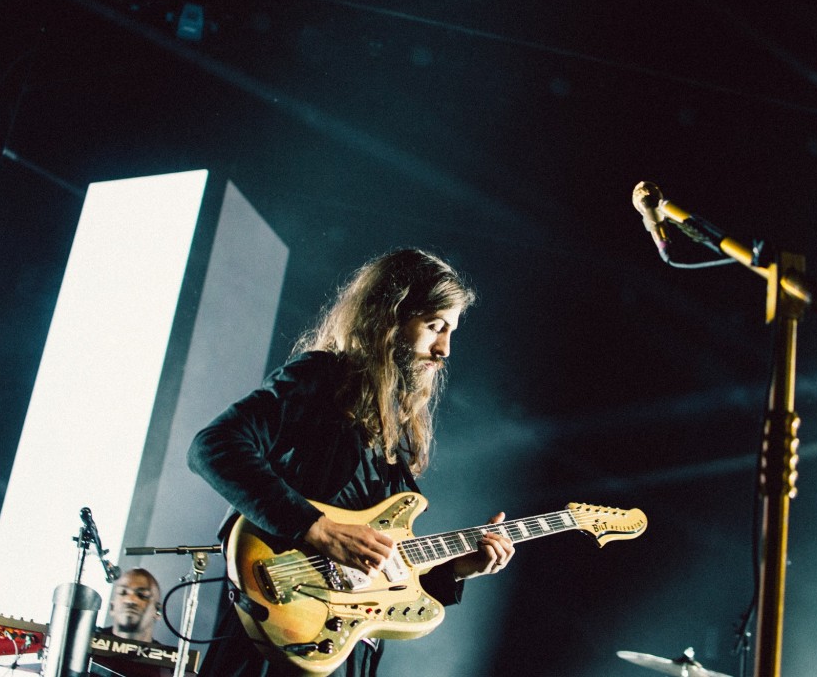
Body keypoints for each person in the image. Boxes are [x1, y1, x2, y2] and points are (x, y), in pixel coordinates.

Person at [187, 248, 515, 676]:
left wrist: (457, 568)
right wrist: (317, 528)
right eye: (434, 326)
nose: (445, 348)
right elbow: (213, 445)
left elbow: (381, 580)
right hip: (279, 632)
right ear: (390, 316)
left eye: (450, 331)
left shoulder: (392, 429)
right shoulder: (321, 378)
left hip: (343, 652)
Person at [105, 567, 162, 642]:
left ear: (158, 611)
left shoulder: (171, 653)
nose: (130, 600)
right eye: (123, 592)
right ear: (112, 607)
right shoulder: (86, 641)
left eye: (142, 595)